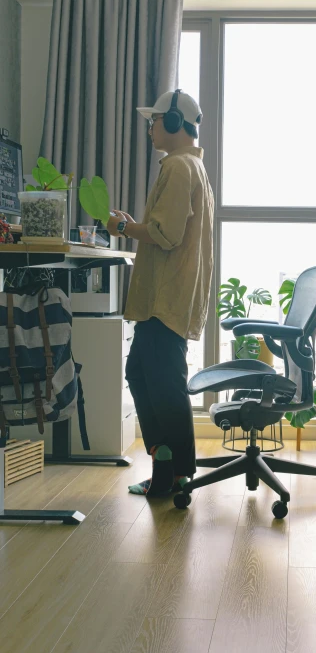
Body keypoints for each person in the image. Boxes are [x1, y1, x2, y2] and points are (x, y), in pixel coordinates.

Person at [106, 90, 214, 495]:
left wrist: (123, 228)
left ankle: (177, 472)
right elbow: (167, 230)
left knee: (163, 381)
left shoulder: (178, 168)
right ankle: (166, 462)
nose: (150, 128)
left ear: (172, 123)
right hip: (170, 294)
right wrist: (137, 226)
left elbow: (165, 235)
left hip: (165, 298)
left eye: (154, 121)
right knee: (144, 373)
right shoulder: (191, 168)